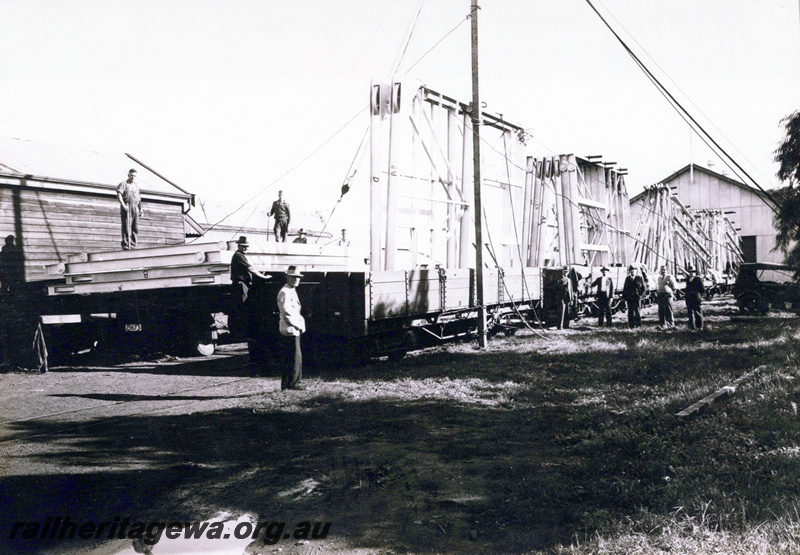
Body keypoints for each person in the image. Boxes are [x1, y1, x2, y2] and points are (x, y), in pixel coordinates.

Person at [229, 236, 269, 339]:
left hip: (241, 285)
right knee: (243, 308)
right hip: (240, 285)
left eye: (247, 247)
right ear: (239, 246)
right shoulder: (239, 255)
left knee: (240, 309)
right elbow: (250, 268)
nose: (246, 248)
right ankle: (243, 334)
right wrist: (263, 276)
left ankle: (240, 333)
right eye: (244, 246)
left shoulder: (240, 255)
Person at [277, 265, 306, 390]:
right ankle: (292, 383)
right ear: (287, 277)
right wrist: (299, 325)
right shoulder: (285, 291)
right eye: (293, 277)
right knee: (293, 358)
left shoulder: (291, 290)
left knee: (294, 357)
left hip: (293, 328)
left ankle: (290, 383)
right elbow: (287, 312)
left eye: (298, 277)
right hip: (290, 329)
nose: (296, 279)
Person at [117, 168, 143, 250]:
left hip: (135, 207)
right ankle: (126, 245)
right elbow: (119, 194)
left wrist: (140, 209)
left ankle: (133, 245)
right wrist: (124, 205)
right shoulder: (123, 184)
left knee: (135, 227)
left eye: (134, 176)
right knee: (126, 227)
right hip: (127, 206)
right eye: (131, 175)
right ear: (128, 175)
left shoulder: (137, 186)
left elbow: (139, 198)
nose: (133, 177)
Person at [685, 265, 705, 331]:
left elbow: (702, 289)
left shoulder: (698, 279)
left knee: (697, 312)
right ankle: (692, 327)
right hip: (689, 298)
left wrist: (699, 296)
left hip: (696, 298)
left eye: (693, 272)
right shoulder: (688, 279)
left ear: (695, 272)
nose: (691, 273)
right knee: (690, 312)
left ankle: (700, 327)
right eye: (690, 272)